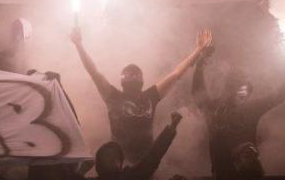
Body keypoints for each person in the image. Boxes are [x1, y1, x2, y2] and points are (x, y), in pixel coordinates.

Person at [71, 27, 211, 163]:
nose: (133, 76)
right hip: (120, 163)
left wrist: (198, 50)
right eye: (130, 74)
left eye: (136, 74)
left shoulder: (149, 96)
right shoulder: (114, 96)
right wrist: (78, 45)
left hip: (145, 161)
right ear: (123, 79)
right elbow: (94, 72)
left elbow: (176, 73)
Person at [191, 53, 285, 180]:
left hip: (250, 176)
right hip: (223, 176)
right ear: (229, 89)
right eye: (238, 87)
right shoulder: (213, 109)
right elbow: (198, 94)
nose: (243, 92)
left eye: (246, 88)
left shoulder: (251, 108)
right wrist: (199, 65)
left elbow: (279, 94)